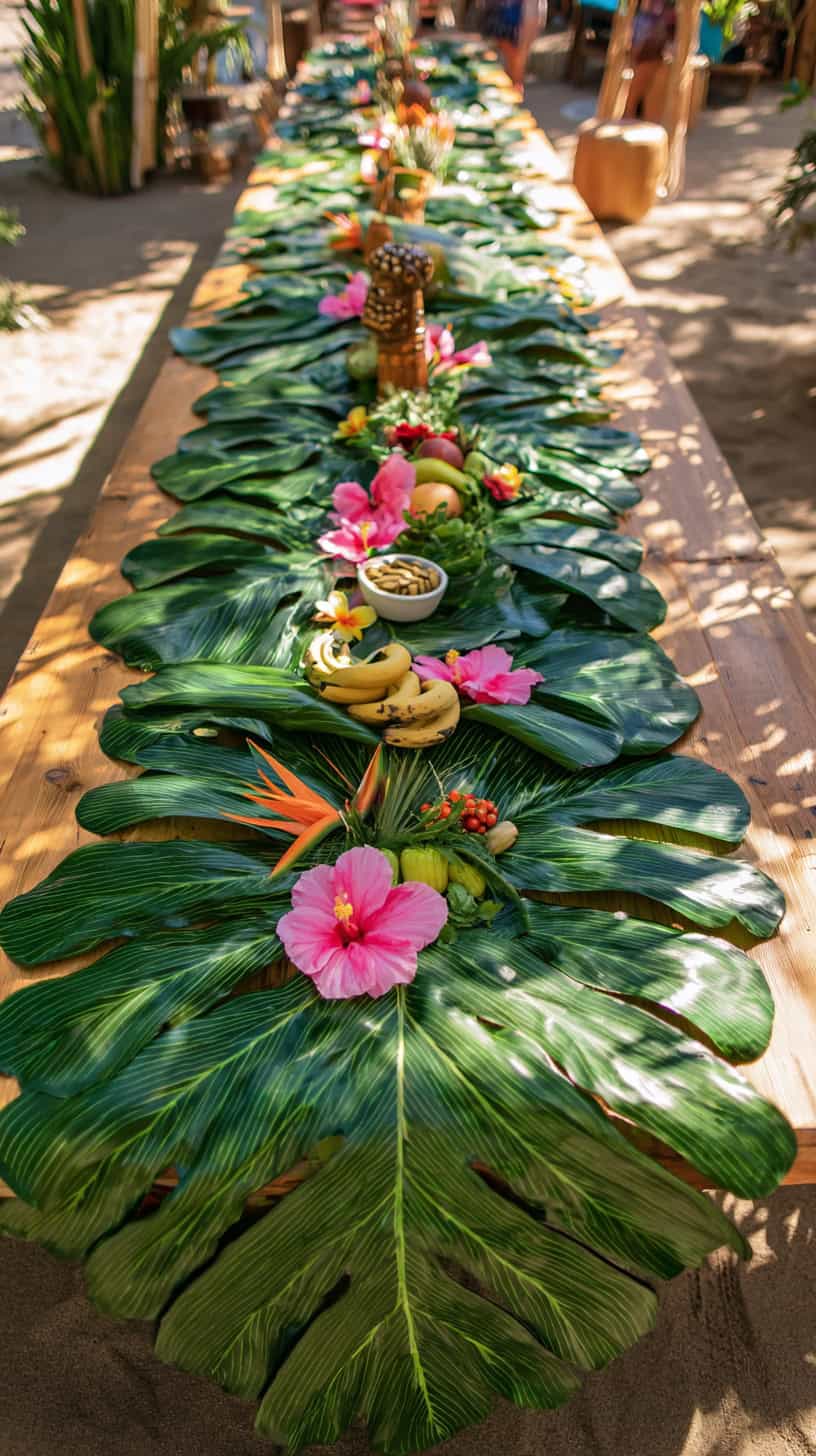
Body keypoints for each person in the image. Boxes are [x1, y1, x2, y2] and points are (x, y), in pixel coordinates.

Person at [481, 0, 547, 90]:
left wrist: (525, 38)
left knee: (517, 62)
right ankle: (512, 89)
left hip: (518, 22)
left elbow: (534, 8)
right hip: (511, 19)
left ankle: (514, 90)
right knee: (512, 63)